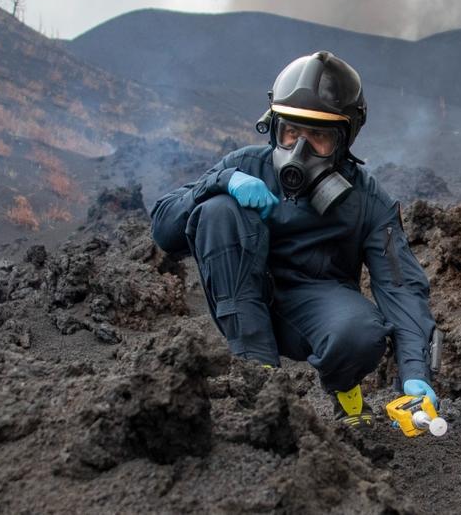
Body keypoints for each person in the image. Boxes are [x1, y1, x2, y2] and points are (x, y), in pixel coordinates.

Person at [150, 51, 438, 428]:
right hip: (241, 296)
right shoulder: (246, 165)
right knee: (217, 209)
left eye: (318, 136)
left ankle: (344, 391)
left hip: (317, 305)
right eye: (291, 131)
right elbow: (164, 231)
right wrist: (220, 183)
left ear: (345, 137)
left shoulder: (368, 200)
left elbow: (400, 287)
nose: (300, 149)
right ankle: (259, 384)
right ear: (273, 127)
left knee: (362, 333)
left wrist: (416, 371)